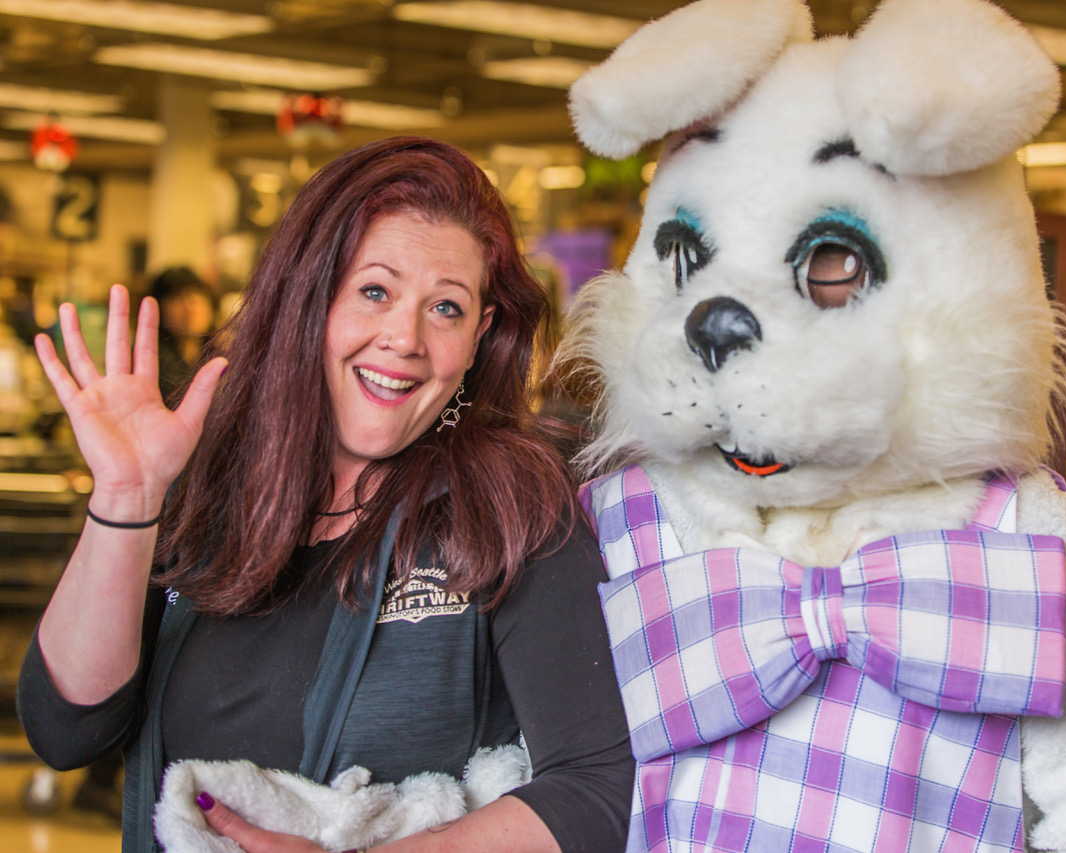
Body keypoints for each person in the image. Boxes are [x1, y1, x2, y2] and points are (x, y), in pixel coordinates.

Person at [17, 136, 634, 853]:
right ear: (309, 294)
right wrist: (127, 496)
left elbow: (600, 787)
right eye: (375, 291)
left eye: (446, 309)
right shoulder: (206, 481)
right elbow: (67, 729)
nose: (404, 337)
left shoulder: (514, 507)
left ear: (478, 337)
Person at [148, 266, 218, 401]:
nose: (190, 307)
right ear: (159, 309)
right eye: (178, 298)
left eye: (197, 296)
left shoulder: (221, 356)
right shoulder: (152, 362)